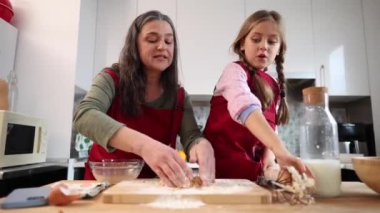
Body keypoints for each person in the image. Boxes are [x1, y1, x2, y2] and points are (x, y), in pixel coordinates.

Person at [73, 10, 215, 188]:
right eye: (152, 40)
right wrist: (144, 146)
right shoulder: (111, 79)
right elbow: (84, 115)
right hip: (103, 187)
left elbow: (192, 136)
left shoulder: (178, 97)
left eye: (169, 41)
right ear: (135, 45)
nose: (162, 46)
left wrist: (202, 145)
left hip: (153, 189)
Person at [203, 10, 310, 181]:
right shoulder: (234, 72)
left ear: (279, 49)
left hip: (252, 179)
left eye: (272, 41)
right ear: (242, 44)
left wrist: (271, 164)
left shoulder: (274, 85)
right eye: (256, 39)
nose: (264, 46)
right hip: (220, 176)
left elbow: (269, 132)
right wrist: (280, 150)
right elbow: (246, 108)